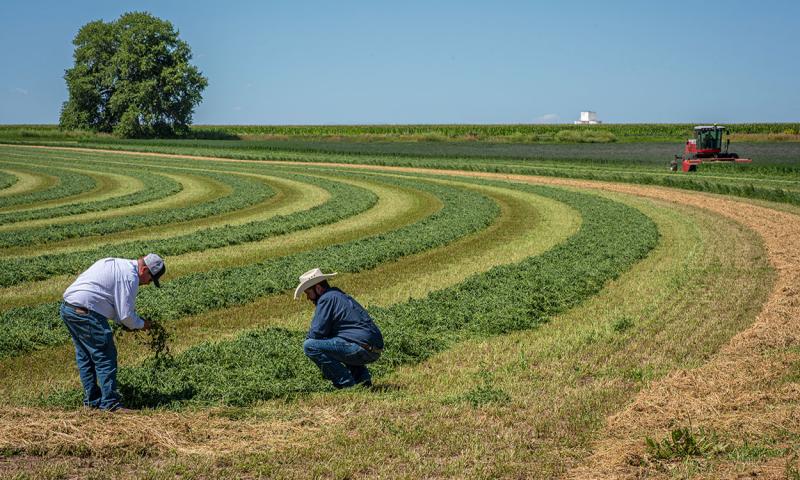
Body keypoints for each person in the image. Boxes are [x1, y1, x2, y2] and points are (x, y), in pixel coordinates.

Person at [61, 253, 166, 411]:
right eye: (150, 279)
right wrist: (143, 324)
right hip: (87, 312)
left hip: (68, 308)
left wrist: (127, 324)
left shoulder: (117, 264)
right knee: (105, 357)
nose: (148, 283)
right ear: (144, 269)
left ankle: (92, 403)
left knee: (85, 357)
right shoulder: (130, 278)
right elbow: (126, 315)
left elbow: (113, 304)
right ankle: (110, 404)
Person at [295, 268, 383, 389]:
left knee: (309, 346)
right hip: (373, 348)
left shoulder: (326, 299)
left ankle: (346, 385)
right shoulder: (337, 295)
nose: (308, 298)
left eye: (308, 293)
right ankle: (363, 382)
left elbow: (316, 333)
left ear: (318, 288)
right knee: (338, 340)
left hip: (361, 349)